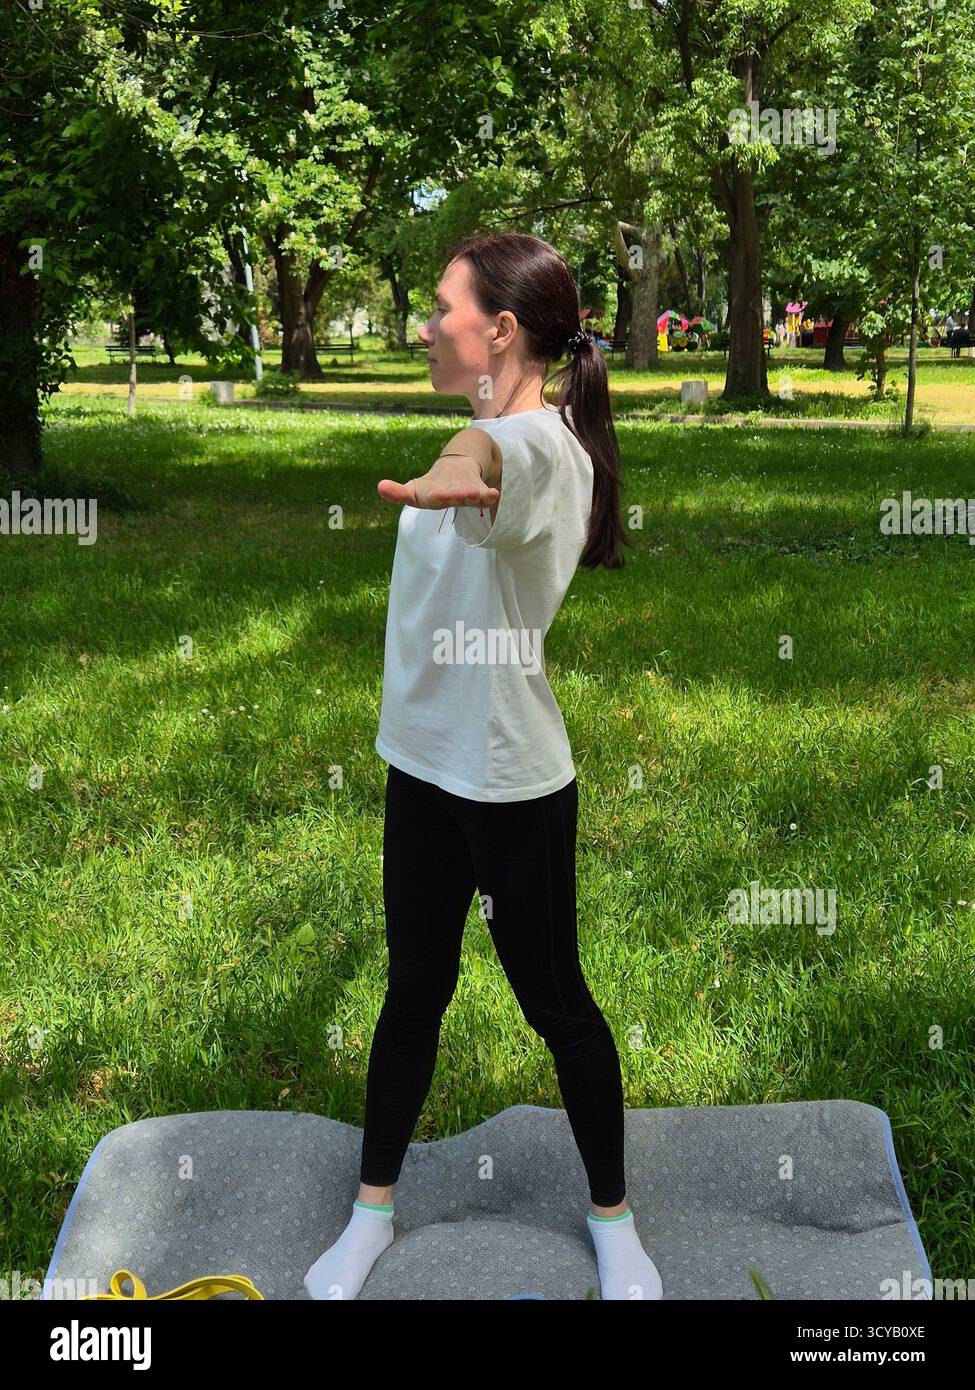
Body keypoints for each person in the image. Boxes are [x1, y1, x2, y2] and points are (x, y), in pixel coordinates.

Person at [302, 231, 663, 1302]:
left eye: (440, 309)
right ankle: (372, 1213)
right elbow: (471, 452)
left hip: (511, 783)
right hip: (421, 768)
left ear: (499, 330)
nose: (424, 326)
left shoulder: (547, 450)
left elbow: (489, 466)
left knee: (559, 1008)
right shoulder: (476, 431)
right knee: (414, 987)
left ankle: (615, 1221)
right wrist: (451, 461)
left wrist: (451, 473)